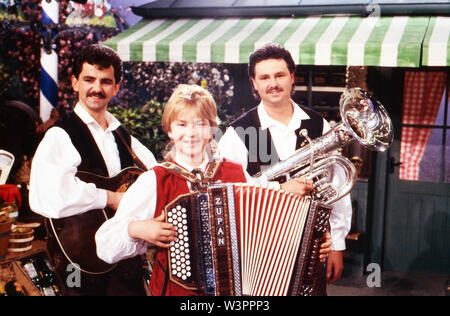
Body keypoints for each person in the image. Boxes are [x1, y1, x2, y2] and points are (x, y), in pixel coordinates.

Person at [95, 84, 331, 296]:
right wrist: (136, 228)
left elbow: (270, 222)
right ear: (169, 130)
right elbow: (104, 246)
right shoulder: (155, 180)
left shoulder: (235, 174)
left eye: (200, 124)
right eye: (182, 124)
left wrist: (312, 246)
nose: (191, 133)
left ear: (212, 130)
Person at [29, 44, 157, 296]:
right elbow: (48, 194)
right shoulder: (60, 134)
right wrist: (110, 198)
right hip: (77, 263)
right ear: (75, 82)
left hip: (123, 258)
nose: (97, 88)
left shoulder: (123, 136)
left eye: (106, 81)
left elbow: (155, 175)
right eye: (89, 79)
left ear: (116, 87)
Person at [218, 44, 352, 284]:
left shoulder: (317, 124)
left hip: (311, 243)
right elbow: (229, 197)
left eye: (279, 75)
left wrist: (338, 245)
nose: (273, 83)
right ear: (254, 83)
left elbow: (337, 187)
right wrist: (280, 191)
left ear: (292, 77)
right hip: (259, 250)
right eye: (264, 77)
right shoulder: (237, 133)